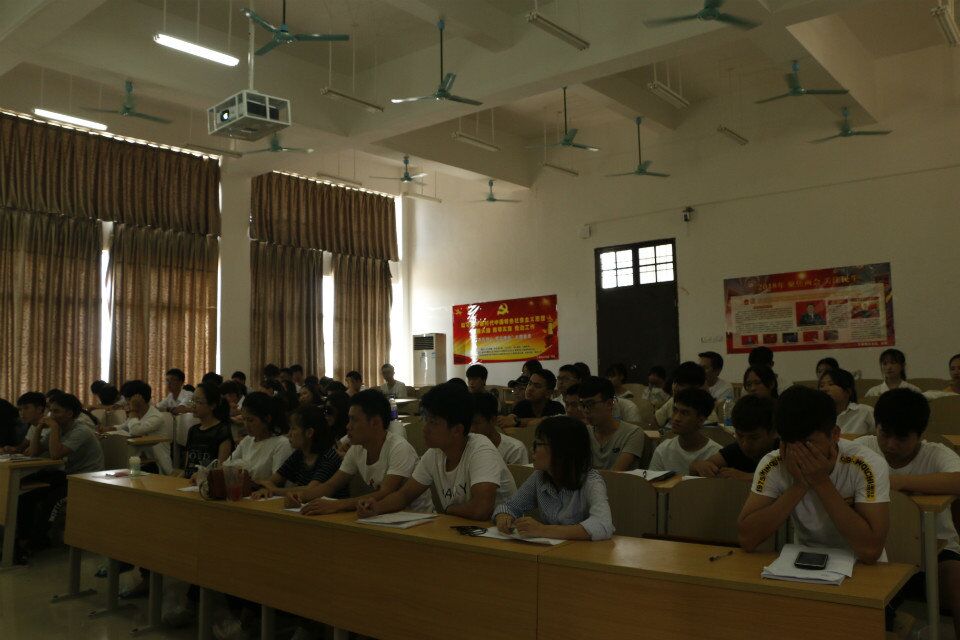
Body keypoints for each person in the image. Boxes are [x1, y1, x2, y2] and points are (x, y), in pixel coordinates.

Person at [738, 386, 889, 563]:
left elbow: (870, 550)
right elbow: (747, 539)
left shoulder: (867, 464)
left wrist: (821, 482)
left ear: (834, 434)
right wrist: (799, 485)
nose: (798, 453)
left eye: (808, 443)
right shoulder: (774, 463)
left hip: (861, 565)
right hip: (805, 561)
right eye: (789, 442)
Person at [858, 389, 960, 634]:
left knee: (957, 581)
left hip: (936, 550)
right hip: (880, 548)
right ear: (876, 427)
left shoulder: (934, 453)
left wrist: (899, 482)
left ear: (920, 435)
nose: (891, 445)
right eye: (885, 434)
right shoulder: (862, 448)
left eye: (902, 438)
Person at [357, 383, 516, 521]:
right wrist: (376, 507)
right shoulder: (435, 453)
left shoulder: (481, 450)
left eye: (433, 423)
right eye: (426, 420)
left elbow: (481, 509)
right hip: (461, 530)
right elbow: (404, 495)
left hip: (497, 535)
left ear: (457, 430)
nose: (425, 429)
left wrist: (448, 510)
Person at [290, 390, 432, 515]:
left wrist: (338, 505)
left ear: (375, 422)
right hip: (382, 516)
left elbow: (384, 493)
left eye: (354, 420)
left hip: (417, 519)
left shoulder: (398, 448)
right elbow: (331, 485)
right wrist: (300, 497)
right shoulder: (357, 449)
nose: (348, 426)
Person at [493, 416, 614, 541]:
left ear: (561, 450)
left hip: (583, 550)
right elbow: (511, 506)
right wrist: (503, 516)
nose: (532, 450)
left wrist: (542, 530)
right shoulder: (539, 476)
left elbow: (602, 525)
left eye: (537, 444)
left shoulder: (591, 481)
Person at [18, 393, 103, 561]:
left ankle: (35, 542)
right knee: (26, 497)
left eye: (56, 411)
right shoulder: (58, 428)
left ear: (69, 414)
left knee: (51, 501)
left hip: (86, 480)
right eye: (51, 411)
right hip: (68, 476)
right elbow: (34, 452)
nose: (51, 415)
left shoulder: (81, 431)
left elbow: (56, 454)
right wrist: (39, 428)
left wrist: (54, 428)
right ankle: (23, 538)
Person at [250, 405, 345, 499]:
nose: (289, 434)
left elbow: (312, 490)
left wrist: (274, 490)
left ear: (309, 433)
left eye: (293, 428)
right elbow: (273, 481)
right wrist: (264, 489)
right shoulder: (299, 454)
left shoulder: (329, 456)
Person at [689, 395, 778, 480]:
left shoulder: (783, 451)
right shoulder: (736, 450)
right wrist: (699, 466)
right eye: (740, 436)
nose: (745, 444)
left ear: (774, 432)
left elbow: (782, 480)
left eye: (754, 438)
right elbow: (695, 468)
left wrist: (751, 478)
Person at [579, 377, 645, 471]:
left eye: (590, 404)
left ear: (609, 404)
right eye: (582, 405)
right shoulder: (583, 432)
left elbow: (616, 473)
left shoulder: (632, 433)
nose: (586, 410)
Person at [649, 388, 722, 475]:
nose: (676, 418)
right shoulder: (663, 449)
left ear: (700, 420)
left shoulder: (717, 453)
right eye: (675, 411)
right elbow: (652, 481)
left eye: (685, 413)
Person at [225, 392, 294, 480]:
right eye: (244, 419)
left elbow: (276, 481)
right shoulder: (247, 440)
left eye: (251, 420)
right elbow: (227, 466)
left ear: (267, 419)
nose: (246, 425)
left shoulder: (281, 444)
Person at [110, 380, 173, 475]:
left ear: (139, 399)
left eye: (128, 400)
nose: (126, 403)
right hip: (141, 460)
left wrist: (133, 409)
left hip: (157, 464)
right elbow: (124, 427)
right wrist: (110, 429)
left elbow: (135, 431)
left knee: (125, 472)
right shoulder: (138, 414)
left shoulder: (156, 416)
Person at [183, 382, 234, 479]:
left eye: (198, 402)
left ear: (212, 405)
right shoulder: (193, 430)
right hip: (189, 482)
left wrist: (200, 477)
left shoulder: (222, 430)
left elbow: (220, 469)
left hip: (209, 483)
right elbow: (187, 467)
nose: (193, 406)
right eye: (192, 401)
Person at [654, 362, 718, 427]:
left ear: (696, 387)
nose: (675, 388)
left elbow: (708, 431)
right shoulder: (673, 401)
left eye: (681, 385)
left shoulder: (706, 411)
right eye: (674, 383)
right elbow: (654, 423)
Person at [470, 393, 528, 464]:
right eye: (468, 423)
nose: (471, 429)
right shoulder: (466, 445)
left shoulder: (514, 450)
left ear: (493, 420)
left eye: (476, 423)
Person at [498, 370, 565, 430]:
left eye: (537, 386)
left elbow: (549, 422)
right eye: (529, 384)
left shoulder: (556, 407)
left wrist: (517, 422)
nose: (530, 389)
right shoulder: (522, 405)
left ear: (548, 393)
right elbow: (510, 420)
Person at [819, 368, 875, 435]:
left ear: (848, 391)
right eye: (821, 386)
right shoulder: (816, 416)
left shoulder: (865, 411)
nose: (824, 389)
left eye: (831, 384)